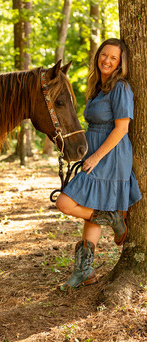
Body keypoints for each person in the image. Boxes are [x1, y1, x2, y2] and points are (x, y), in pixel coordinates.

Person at [56, 38, 142, 289]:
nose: (107, 60)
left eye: (113, 58)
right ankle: (85, 271)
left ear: (120, 64)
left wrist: (95, 157)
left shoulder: (121, 88)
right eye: (104, 55)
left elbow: (122, 129)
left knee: (65, 202)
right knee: (90, 213)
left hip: (110, 157)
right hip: (93, 153)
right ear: (98, 56)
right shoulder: (97, 87)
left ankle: (114, 218)